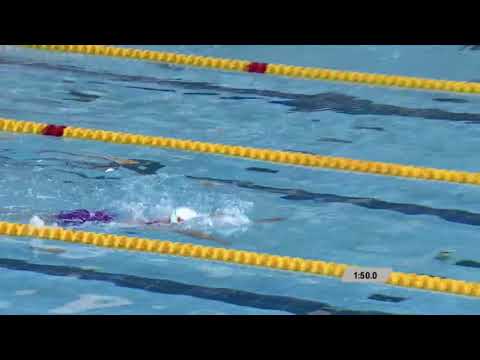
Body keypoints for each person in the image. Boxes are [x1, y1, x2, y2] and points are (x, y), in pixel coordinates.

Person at [35, 207, 285, 246]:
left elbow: (211, 217)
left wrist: (262, 222)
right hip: (93, 221)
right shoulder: (160, 227)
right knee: (46, 221)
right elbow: (192, 230)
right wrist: (218, 241)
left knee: (47, 217)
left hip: (97, 216)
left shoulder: (153, 220)